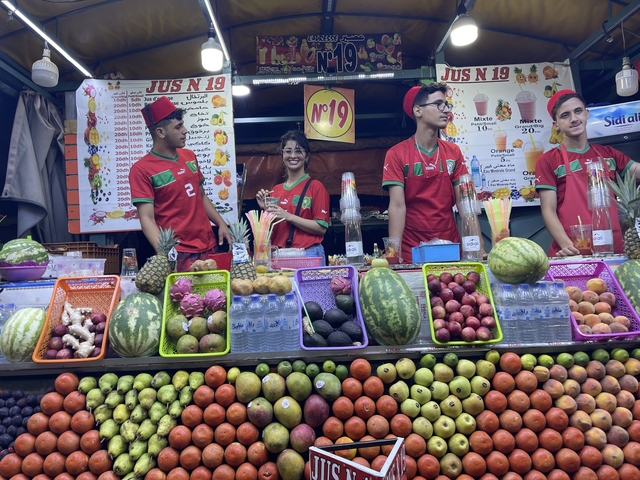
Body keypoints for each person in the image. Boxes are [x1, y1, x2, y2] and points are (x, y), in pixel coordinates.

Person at [129, 96, 231, 271]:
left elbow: (201, 195)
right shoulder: (141, 169)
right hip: (178, 252)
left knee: (216, 296)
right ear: (160, 133)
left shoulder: (189, 156)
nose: (185, 131)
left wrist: (221, 223)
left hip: (208, 245)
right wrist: (165, 253)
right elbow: (146, 218)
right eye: (178, 127)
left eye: (182, 124)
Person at [535, 89, 640, 256]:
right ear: (556, 124)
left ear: (587, 113)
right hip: (573, 248)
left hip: (615, 249)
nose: (574, 119)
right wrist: (567, 246)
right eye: (565, 115)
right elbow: (548, 209)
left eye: (578, 111)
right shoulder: (548, 160)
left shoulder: (609, 154)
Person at [382, 83, 469, 264]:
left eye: (447, 105)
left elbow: (464, 203)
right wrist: (393, 253)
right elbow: (397, 206)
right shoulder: (396, 154)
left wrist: (476, 246)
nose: (446, 111)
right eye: (439, 104)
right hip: (410, 248)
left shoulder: (454, 152)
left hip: (449, 244)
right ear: (418, 111)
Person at [256, 130, 330, 263]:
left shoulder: (316, 187)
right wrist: (265, 210)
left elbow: (321, 228)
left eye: (298, 151)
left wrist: (288, 216)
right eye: (288, 151)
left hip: (308, 253)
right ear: (282, 155)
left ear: (306, 156)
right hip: (278, 255)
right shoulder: (275, 190)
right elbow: (270, 231)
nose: (293, 155)